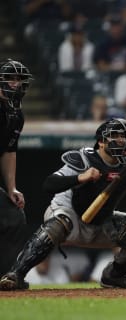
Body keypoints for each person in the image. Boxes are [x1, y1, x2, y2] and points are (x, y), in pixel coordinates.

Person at [0, 118, 126, 290]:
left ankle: (114, 276)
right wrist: (80, 177)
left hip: (103, 223)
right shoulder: (85, 158)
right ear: (101, 142)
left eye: (125, 136)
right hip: (69, 215)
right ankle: (16, 275)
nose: (122, 141)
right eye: (116, 136)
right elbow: (49, 184)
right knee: (59, 223)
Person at [0, 59, 33, 275]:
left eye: (18, 79)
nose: (15, 83)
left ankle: (7, 277)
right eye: (10, 78)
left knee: (14, 217)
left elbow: (9, 150)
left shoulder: (15, 115)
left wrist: (11, 188)